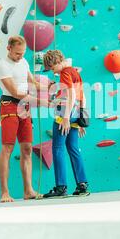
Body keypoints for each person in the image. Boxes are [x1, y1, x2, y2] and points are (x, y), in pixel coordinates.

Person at [0, 35, 46, 203]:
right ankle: (4, 192)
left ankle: (28, 191)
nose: (20, 56)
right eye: (17, 53)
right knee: (8, 148)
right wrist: (41, 102)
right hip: (10, 105)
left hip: (24, 106)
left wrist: (52, 86)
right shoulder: (3, 65)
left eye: (23, 53)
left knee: (27, 149)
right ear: (8, 48)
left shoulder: (24, 62)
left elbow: (33, 83)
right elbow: (16, 92)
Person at [41, 50, 90, 198]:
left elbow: (72, 95)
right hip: (75, 114)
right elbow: (82, 96)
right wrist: (80, 118)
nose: (53, 71)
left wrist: (66, 118)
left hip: (65, 114)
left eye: (52, 68)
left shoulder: (65, 73)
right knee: (73, 148)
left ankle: (61, 187)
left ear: (55, 62)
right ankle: (82, 185)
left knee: (58, 148)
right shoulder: (75, 72)